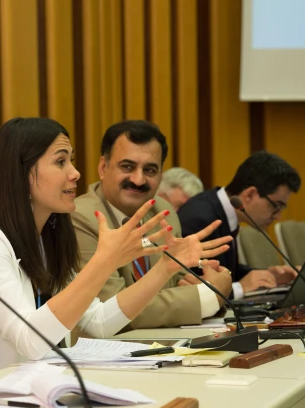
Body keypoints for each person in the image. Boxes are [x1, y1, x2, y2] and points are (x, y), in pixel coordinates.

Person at [0, 118, 230, 386]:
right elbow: (30, 339)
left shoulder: (44, 241)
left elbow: (98, 322)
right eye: (61, 162)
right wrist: (104, 263)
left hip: (24, 400)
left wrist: (164, 269)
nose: (75, 173)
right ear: (21, 172)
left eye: (71, 161)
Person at [73, 120, 231, 328]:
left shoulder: (161, 211)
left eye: (149, 170)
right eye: (127, 166)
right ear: (103, 167)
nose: (138, 180)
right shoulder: (80, 218)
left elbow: (181, 282)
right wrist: (210, 296)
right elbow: (113, 311)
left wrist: (208, 283)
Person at [178, 151, 301, 299]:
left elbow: (224, 269)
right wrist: (240, 287)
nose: (278, 216)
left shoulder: (221, 210)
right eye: (276, 206)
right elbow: (190, 291)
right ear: (250, 194)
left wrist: (266, 276)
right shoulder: (200, 219)